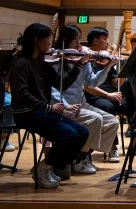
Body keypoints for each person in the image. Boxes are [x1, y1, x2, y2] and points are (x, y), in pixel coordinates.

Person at [9, 23, 89, 188]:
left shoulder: (42, 62)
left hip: (41, 111)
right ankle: (44, 169)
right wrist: (48, 107)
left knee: (82, 132)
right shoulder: (21, 63)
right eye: (47, 40)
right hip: (26, 113)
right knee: (68, 135)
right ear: (36, 40)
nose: (51, 44)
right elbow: (22, 94)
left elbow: (63, 85)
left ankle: (46, 167)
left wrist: (79, 65)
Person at [51, 25, 120, 173]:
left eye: (79, 39)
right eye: (76, 39)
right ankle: (81, 158)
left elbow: (92, 83)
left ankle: (82, 154)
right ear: (65, 40)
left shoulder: (83, 58)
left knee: (112, 122)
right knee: (96, 119)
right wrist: (79, 63)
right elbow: (57, 87)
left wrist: (108, 67)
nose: (79, 43)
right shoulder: (55, 59)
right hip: (64, 104)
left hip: (81, 104)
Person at [81, 27, 123, 163]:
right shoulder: (86, 60)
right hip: (92, 97)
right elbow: (88, 86)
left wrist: (125, 72)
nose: (107, 42)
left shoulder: (105, 58)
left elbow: (116, 82)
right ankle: (112, 147)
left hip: (108, 94)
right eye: (105, 39)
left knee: (135, 104)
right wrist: (108, 95)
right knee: (109, 107)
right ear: (96, 41)